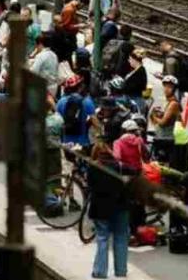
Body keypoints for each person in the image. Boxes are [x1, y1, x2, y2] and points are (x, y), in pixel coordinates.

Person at [88, 142, 131, 279]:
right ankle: (121, 271)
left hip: (100, 208)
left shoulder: (93, 167)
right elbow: (135, 172)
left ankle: (100, 272)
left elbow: (90, 186)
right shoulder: (120, 166)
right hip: (120, 207)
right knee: (121, 238)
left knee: (102, 238)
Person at [56, 75, 97, 148]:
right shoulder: (87, 101)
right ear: (80, 87)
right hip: (82, 143)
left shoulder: (61, 102)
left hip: (66, 142)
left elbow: (58, 122)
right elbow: (95, 121)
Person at [149, 76, 182, 162]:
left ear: (174, 89)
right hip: (161, 135)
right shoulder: (167, 101)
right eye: (165, 86)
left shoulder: (173, 104)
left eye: (170, 87)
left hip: (166, 138)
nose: (167, 89)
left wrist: (154, 116)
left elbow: (163, 122)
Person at [122, 49, 148, 115]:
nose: (129, 61)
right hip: (131, 99)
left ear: (134, 60)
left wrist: (123, 86)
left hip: (135, 100)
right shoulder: (135, 70)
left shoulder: (141, 71)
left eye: (130, 59)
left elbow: (139, 86)